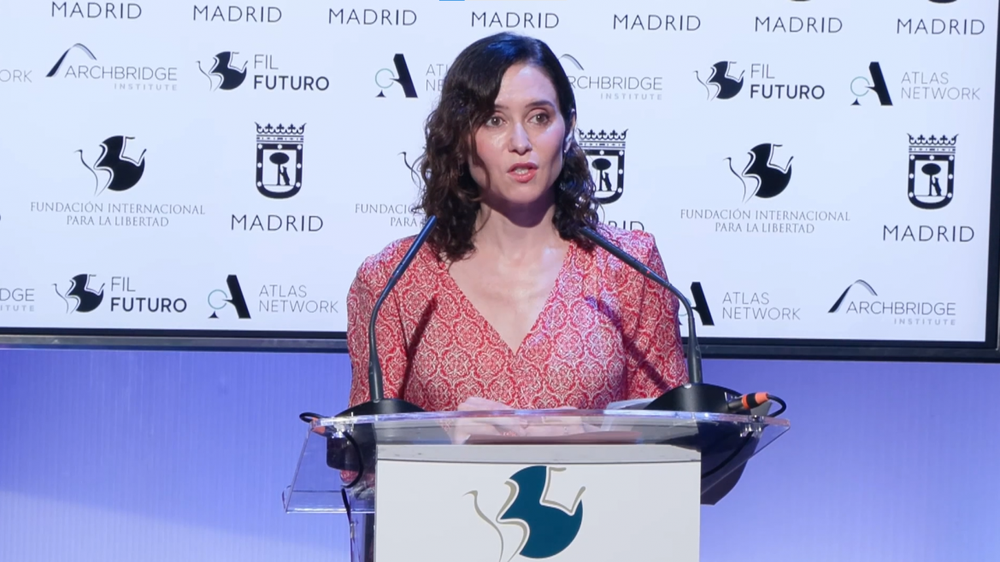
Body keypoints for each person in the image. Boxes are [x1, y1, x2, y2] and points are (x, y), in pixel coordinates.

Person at [345, 32, 688, 431]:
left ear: (569, 126)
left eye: (539, 117)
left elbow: (678, 448)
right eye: (494, 120)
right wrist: (441, 438)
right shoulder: (393, 280)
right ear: (459, 137)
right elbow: (361, 467)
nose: (521, 142)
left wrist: (594, 435)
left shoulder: (629, 267)